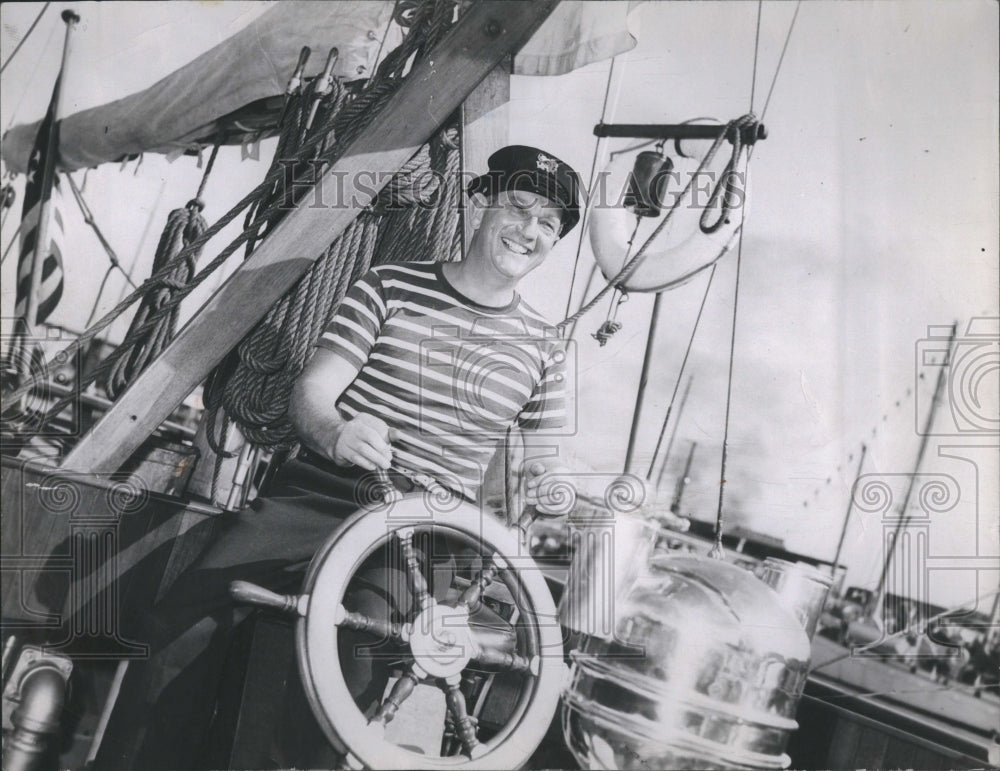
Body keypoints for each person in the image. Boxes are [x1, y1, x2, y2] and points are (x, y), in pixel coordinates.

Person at [94, 145, 583, 770]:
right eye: (518, 206)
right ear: (482, 200)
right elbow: (313, 393)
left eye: (549, 223)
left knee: (356, 655)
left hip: (428, 528)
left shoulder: (546, 345)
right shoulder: (388, 286)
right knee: (189, 619)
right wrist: (335, 434)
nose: (530, 230)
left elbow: (540, 460)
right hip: (328, 489)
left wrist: (544, 479)